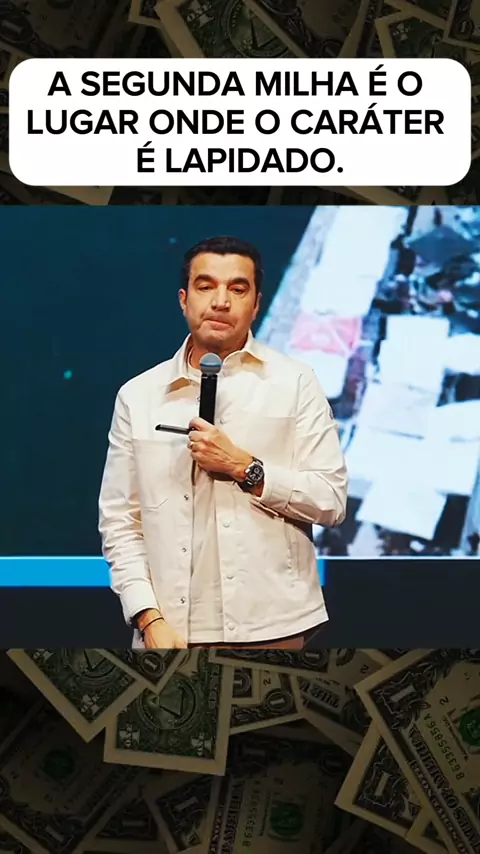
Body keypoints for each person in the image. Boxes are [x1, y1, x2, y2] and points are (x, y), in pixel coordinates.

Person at [98, 236, 348, 650]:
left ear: (256, 304)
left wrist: (245, 468)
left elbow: (331, 500)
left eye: (237, 288)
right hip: (169, 632)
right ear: (184, 300)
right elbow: (120, 521)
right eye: (205, 286)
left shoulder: (295, 382)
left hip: (274, 627)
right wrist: (148, 617)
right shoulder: (138, 396)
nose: (220, 301)